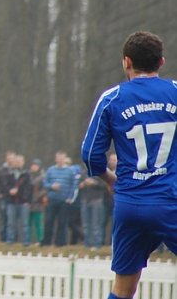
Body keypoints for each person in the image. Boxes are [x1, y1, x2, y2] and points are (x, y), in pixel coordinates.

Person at [80, 31, 177, 299]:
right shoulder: (175, 93)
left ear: (126, 62)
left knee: (123, 288)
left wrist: (111, 180)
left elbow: (90, 155)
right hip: (169, 201)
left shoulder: (112, 99)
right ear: (161, 62)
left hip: (130, 204)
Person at [40, 150, 77, 247]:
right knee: (49, 221)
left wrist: (70, 198)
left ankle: (60, 243)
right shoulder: (51, 170)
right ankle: (46, 242)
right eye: (58, 158)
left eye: (62, 158)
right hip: (52, 199)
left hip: (64, 201)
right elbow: (45, 184)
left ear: (65, 159)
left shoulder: (70, 171)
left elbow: (74, 186)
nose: (60, 160)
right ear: (56, 159)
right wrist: (52, 186)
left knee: (62, 222)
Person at [5, 154, 32, 245]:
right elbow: (5, 186)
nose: (18, 163)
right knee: (11, 223)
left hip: (23, 202)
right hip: (11, 201)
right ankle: (10, 240)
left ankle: (25, 241)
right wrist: (10, 191)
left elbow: (28, 189)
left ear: (23, 163)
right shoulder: (9, 174)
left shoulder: (26, 174)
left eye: (20, 161)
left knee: (25, 223)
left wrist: (26, 200)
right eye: (16, 161)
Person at [28, 158, 46, 244]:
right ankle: (28, 240)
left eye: (36, 165)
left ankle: (40, 240)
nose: (34, 167)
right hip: (28, 202)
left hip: (38, 203)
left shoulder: (43, 177)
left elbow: (45, 189)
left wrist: (38, 196)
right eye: (33, 165)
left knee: (38, 223)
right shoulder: (27, 176)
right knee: (28, 223)